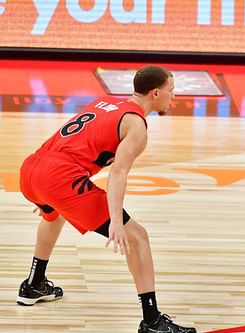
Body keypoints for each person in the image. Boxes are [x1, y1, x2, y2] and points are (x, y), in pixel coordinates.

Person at [16, 65, 196, 333]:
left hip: (32, 168)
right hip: (58, 178)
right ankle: (152, 321)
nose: (174, 97)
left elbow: (69, 141)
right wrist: (116, 222)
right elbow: (118, 174)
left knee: (54, 216)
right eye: (172, 91)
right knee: (138, 237)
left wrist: (44, 186)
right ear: (156, 93)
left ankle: (34, 284)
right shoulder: (137, 126)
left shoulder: (105, 101)